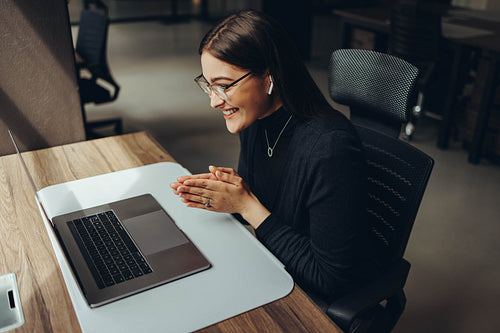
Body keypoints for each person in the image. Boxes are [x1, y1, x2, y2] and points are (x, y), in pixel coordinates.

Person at [170, 10, 383, 305]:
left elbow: (329, 278)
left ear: (268, 76)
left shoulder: (330, 149)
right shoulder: (255, 120)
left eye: (225, 86)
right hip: (274, 266)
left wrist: (247, 206)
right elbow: (265, 197)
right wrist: (229, 194)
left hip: (311, 297)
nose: (214, 100)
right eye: (208, 85)